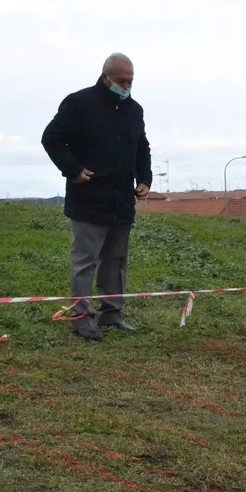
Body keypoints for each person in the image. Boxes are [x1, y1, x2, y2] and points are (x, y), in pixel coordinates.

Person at [41, 52, 153, 341]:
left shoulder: (134, 110)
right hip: (88, 198)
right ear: (106, 76)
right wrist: (73, 170)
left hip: (121, 200)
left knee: (116, 260)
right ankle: (82, 320)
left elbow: (142, 147)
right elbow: (51, 138)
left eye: (130, 81)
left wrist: (144, 179)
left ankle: (112, 313)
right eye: (121, 80)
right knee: (85, 262)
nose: (126, 86)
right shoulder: (79, 103)